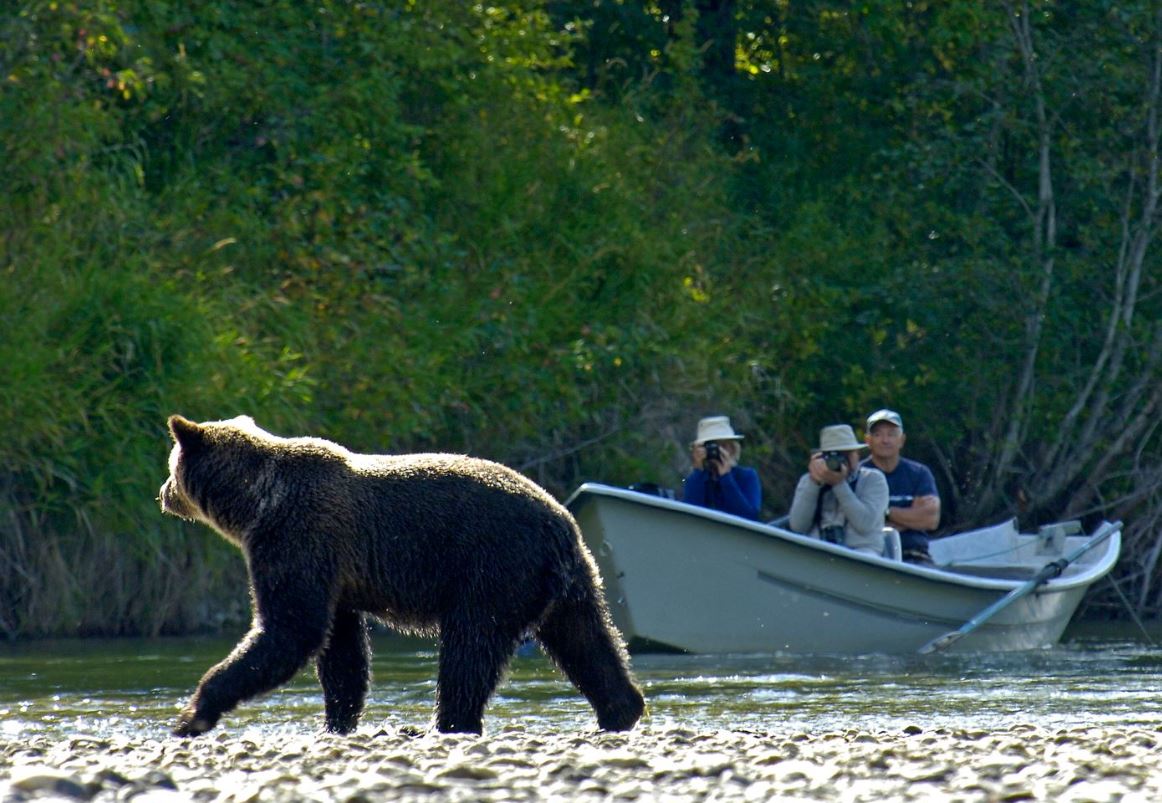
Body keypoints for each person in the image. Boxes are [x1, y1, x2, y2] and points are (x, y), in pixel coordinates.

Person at [788, 424, 889, 556]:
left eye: (846, 454)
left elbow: (865, 523)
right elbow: (798, 526)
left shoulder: (873, 479)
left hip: (861, 551)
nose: (840, 461)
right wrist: (814, 483)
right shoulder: (809, 481)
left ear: (856, 455)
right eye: (833, 456)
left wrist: (839, 484)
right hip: (817, 551)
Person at [862, 409, 941, 565]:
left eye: (891, 434)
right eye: (878, 434)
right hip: (871, 556)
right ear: (868, 441)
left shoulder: (919, 473)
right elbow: (859, 522)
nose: (885, 440)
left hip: (915, 556)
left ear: (902, 440)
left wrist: (885, 512)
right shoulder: (859, 475)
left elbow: (930, 519)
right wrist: (909, 516)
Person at [682, 416, 762, 520]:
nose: (718, 451)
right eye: (712, 446)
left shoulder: (747, 476)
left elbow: (750, 516)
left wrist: (726, 477)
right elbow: (689, 515)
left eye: (724, 445)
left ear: (733, 448)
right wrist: (698, 469)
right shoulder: (695, 479)